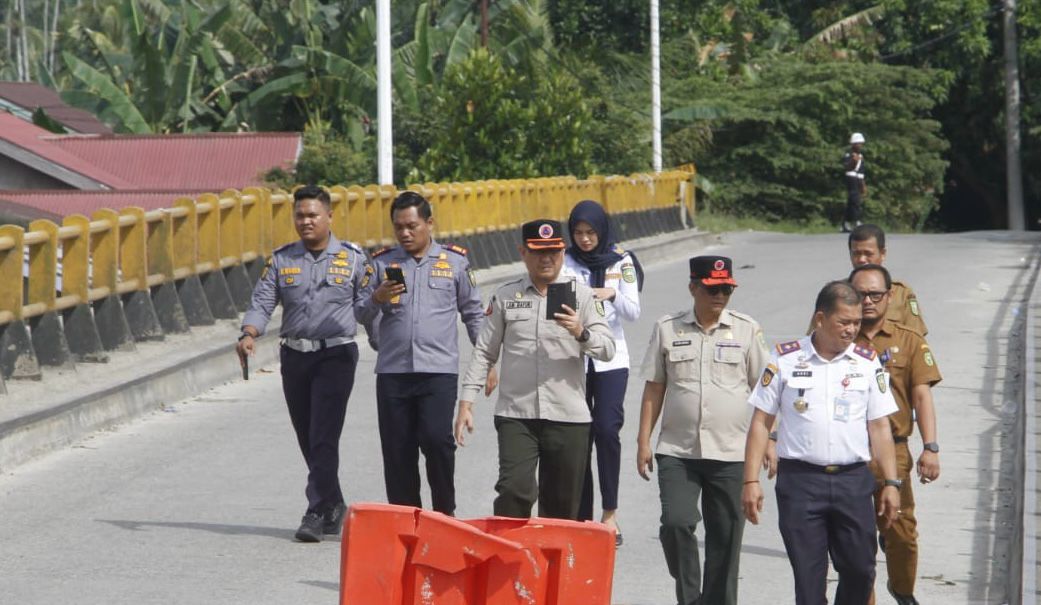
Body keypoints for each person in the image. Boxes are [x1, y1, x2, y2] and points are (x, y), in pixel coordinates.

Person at [743, 280, 901, 605]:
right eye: (843, 322)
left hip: (853, 482)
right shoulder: (785, 359)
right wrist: (750, 481)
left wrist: (892, 482)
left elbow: (881, 427)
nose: (851, 330)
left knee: (860, 571)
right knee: (809, 580)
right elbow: (761, 423)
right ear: (820, 319)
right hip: (801, 483)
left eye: (856, 323)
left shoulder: (867, 361)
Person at [453, 219, 615, 520]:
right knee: (514, 491)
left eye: (553, 252)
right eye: (538, 252)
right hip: (517, 414)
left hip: (568, 415)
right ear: (523, 252)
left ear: (563, 252)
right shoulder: (505, 297)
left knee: (561, 507)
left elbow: (608, 349)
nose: (546, 259)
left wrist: (581, 331)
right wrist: (466, 402)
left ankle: (551, 567)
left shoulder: (582, 296)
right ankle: (509, 561)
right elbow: (485, 352)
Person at [236, 185, 369, 543]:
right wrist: (249, 333)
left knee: (324, 434)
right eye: (300, 215)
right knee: (307, 435)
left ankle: (314, 511)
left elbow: (370, 305)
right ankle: (334, 503)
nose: (306, 221)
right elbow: (263, 301)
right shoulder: (282, 259)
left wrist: (384, 341)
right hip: (295, 356)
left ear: (329, 217)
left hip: (336, 355)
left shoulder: (355, 259)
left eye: (313, 215)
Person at [636, 256, 768, 605]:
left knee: (726, 537)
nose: (720, 295)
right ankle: (690, 597)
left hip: (731, 451)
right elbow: (654, 388)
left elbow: (767, 393)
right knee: (676, 523)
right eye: (712, 288)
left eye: (726, 289)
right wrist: (643, 441)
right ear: (693, 287)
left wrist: (770, 439)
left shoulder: (746, 329)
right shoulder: (668, 328)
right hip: (678, 450)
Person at [356, 191, 488, 517]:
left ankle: (444, 513)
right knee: (398, 451)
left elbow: (473, 313)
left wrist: (488, 359)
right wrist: (378, 298)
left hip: (438, 371)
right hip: (393, 373)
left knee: (436, 441)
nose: (405, 233)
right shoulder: (382, 263)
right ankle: (406, 520)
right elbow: (360, 313)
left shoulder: (455, 262)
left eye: (412, 225)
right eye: (398, 227)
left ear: (429, 223)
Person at [850, 264, 942, 605]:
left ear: (890, 296)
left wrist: (930, 447)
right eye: (861, 295)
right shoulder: (837, 338)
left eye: (876, 294)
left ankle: (902, 589)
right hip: (848, 453)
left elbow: (922, 396)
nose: (868, 301)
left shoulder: (909, 341)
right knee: (857, 541)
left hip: (895, 452)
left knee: (901, 534)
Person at [561, 199, 642, 544]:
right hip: (575, 357)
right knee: (580, 435)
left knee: (607, 431)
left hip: (611, 358)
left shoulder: (622, 261)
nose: (584, 239)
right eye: (578, 232)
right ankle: (582, 517)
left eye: (590, 232)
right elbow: (558, 306)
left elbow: (634, 311)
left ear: (601, 230)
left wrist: (609, 294)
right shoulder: (564, 261)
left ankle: (610, 514)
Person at [804, 224, 927, 336]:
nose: (862, 259)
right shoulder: (834, 293)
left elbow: (916, 339)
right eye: (856, 254)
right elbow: (814, 337)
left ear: (883, 253)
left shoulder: (901, 293)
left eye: (868, 253)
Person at [842, 132, 867, 233]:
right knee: (855, 200)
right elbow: (847, 167)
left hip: (857, 178)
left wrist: (863, 184)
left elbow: (861, 171)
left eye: (861, 143)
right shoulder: (849, 154)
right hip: (850, 177)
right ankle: (856, 221)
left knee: (852, 201)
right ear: (853, 144)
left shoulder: (860, 155)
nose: (860, 145)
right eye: (858, 143)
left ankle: (846, 222)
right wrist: (854, 161)